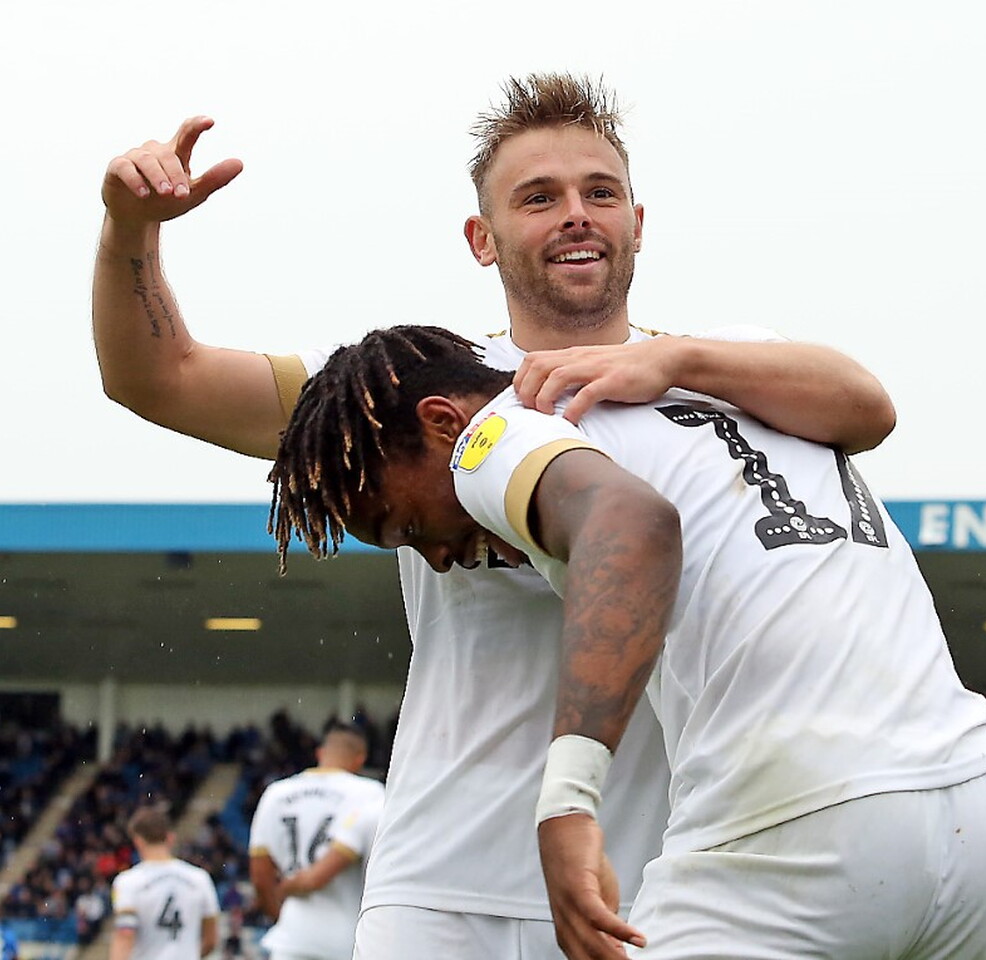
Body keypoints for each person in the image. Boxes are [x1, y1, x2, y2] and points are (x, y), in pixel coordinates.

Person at [93, 73, 898, 959]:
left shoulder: (709, 375)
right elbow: (158, 379)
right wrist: (131, 230)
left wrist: (677, 361)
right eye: (539, 198)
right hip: (437, 889)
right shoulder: (404, 391)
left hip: (638, 884)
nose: (576, 216)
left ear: (638, 223)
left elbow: (866, 407)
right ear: (483, 239)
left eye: (600, 193)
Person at [268, 323, 986, 960]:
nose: (433, 557)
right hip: (976, 811)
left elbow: (632, 525)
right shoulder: (731, 392)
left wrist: (567, 800)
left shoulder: (500, 430)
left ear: (440, 422)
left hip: (800, 828)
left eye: (404, 526)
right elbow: (873, 410)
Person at [247, 724, 383, 960]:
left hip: (292, 938)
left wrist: (281, 916)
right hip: (347, 940)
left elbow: (260, 878)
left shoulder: (276, 793)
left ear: (320, 753)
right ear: (360, 759)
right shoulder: (371, 794)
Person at [108, 806, 219, 960]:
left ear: (138, 841)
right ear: (170, 838)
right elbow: (211, 939)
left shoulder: (128, 882)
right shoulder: (200, 879)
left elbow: (125, 935)